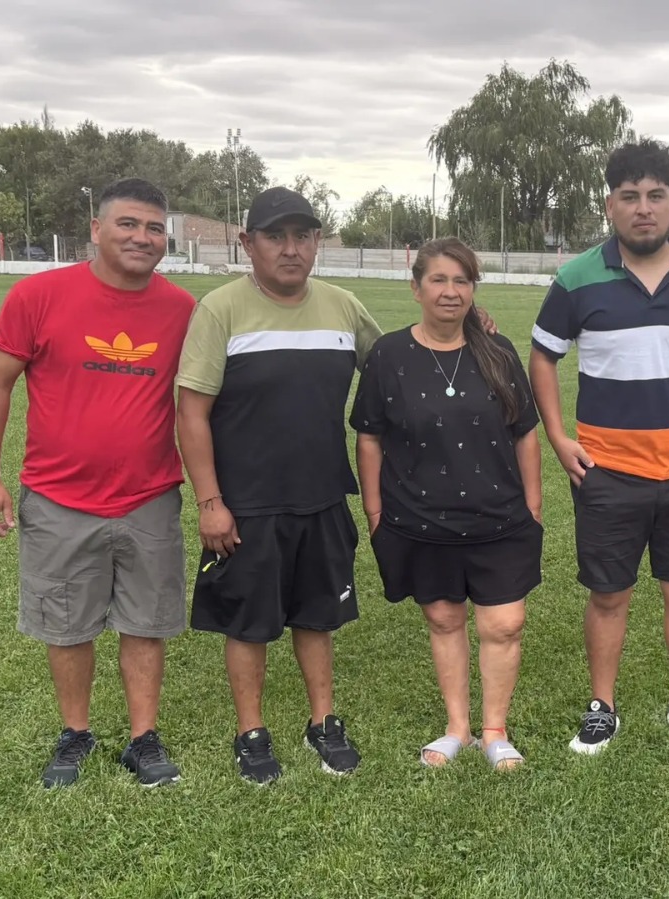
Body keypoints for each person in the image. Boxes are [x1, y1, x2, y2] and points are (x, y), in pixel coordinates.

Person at [0, 177, 193, 789]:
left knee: (146, 621)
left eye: (154, 228)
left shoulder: (181, 310)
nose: (142, 238)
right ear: (95, 229)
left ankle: (144, 739)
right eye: (127, 224)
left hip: (149, 495)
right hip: (59, 498)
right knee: (67, 623)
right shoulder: (39, 296)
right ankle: (76, 733)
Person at [530, 138, 669, 755]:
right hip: (608, 471)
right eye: (630, 197)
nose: (643, 208)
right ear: (610, 206)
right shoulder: (576, 278)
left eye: (655, 196)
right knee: (608, 594)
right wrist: (558, 436)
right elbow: (543, 356)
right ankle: (603, 706)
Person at [175, 186, 382, 782]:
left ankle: (323, 723)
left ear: (317, 241)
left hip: (321, 494)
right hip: (246, 504)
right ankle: (251, 732)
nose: (291, 249)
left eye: (303, 235)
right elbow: (192, 413)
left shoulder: (343, 307)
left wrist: (467, 324)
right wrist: (211, 503)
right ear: (248, 244)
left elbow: (396, 366)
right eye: (275, 236)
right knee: (250, 621)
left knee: (317, 617)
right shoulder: (220, 310)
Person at [350, 237, 542, 771]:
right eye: (439, 280)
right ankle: (458, 727)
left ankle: (495, 729)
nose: (450, 291)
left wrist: (533, 504)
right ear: (416, 288)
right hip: (419, 518)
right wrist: (373, 512)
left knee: (504, 624)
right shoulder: (388, 355)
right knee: (443, 619)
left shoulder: (497, 352)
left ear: (473, 289)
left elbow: (526, 432)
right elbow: (369, 436)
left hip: (500, 517)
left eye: (462, 281)